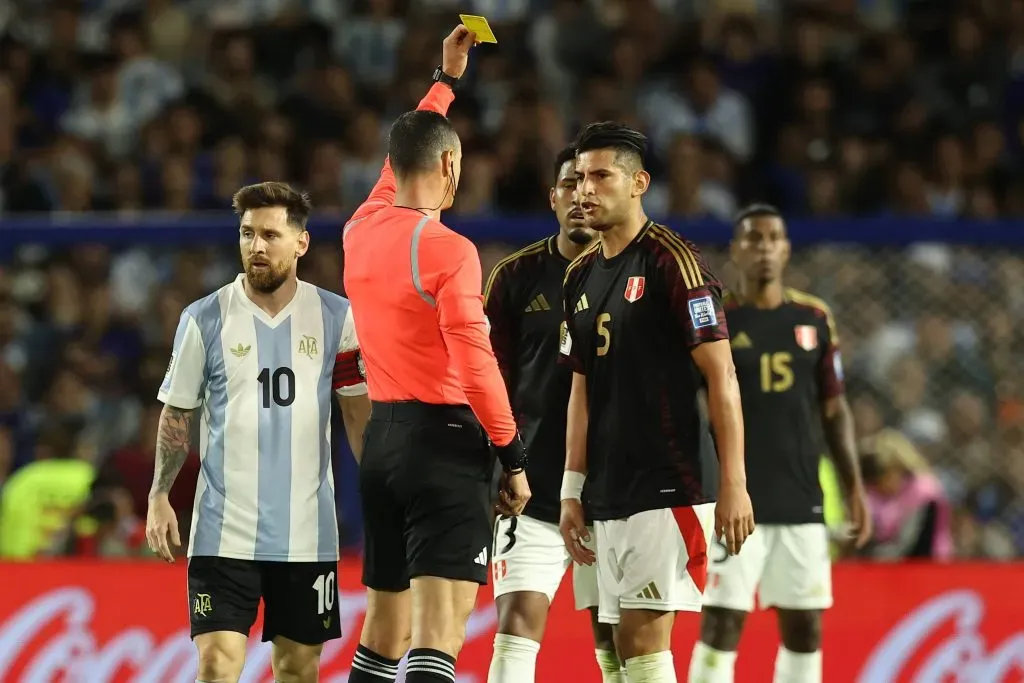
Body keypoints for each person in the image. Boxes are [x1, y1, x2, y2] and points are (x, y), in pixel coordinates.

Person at [341, 25, 531, 683]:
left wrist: (445, 82)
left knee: (383, 631)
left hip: (384, 447)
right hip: (445, 443)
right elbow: (476, 365)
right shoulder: (449, 249)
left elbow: (409, 147)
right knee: (438, 634)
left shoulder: (359, 229)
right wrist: (511, 453)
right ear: (450, 167)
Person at [145, 181, 372, 683]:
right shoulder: (203, 317)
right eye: (247, 234)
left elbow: (357, 416)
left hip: (306, 535)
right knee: (217, 663)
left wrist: (382, 490)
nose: (257, 247)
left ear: (301, 243)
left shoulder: (337, 317)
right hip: (223, 531)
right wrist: (159, 495)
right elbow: (178, 413)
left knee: (297, 668)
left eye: (270, 234)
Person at [558, 122, 754, 683]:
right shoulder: (579, 275)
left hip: (668, 481)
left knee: (644, 646)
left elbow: (723, 377)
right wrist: (573, 489)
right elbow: (581, 388)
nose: (586, 191)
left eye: (601, 176)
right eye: (577, 179)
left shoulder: (674, 263)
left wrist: (734, 484)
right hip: (605, 489)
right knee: (614, 654)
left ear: (639, 182)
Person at [687, 204, 871, 683]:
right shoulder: (717, 321)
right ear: (736, 250)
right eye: (753, 238)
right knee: (723, 621)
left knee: (805, 625)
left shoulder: (813, 317)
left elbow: (835, 410)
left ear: (786, 249)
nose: (763, 248)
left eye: (773, 238)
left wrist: (853, 488)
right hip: (733, 500)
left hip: (801, 497)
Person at [484, 146, 625, 683]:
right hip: (534, 486)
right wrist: (500, 464)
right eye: (568, 185)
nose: (578, 195)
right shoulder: (515, 276)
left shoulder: (633, 274)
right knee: (517, 625)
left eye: (589, 184)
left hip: (614, 489)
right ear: (552, 198)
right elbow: (487, 379)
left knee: (613, 639)